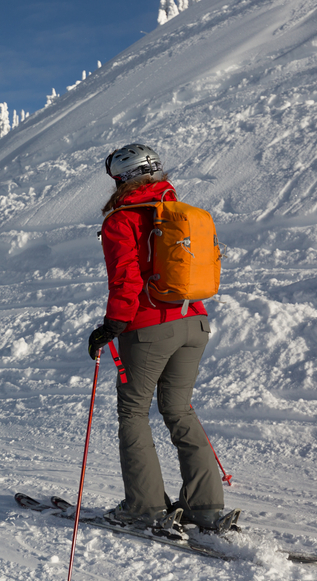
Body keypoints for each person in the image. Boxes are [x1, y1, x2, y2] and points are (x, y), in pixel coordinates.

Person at [86, 143, 225, 536]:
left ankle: (143, 508)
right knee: (179, 411)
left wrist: (111, 326)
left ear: (124, 179)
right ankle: (206, 507)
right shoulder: (179, 212)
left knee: (133, 414)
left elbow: (126, 279)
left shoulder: (123, 219)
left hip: (148, 328)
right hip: (194, 321)